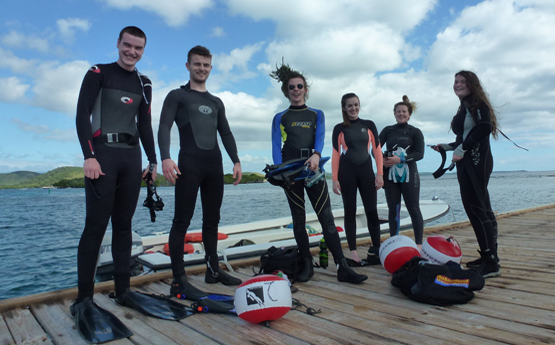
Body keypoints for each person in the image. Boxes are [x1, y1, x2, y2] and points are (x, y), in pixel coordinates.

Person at [74, 26, 166, 341]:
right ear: (118, 44)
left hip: (131, 158)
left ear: (144, 49)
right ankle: (83, 299)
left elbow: (145, 125)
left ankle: (123, 290)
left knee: (124, 226)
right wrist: (89, 157)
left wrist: (152, 162)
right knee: (95, 228)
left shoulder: (144, 83)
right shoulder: (98, 72)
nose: (132, 52)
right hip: (102, 156)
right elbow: (82, 114)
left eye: (138, 48)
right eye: (127, 45)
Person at [270, 62, 367, 284]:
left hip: (313, 170)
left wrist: (315, 154)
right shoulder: (280, 117)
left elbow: (320, 137)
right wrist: (280, 173)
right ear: (287, 91)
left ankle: (342, 266)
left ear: (306, 89)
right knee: (298, 220)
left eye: (300, 86)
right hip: (291, 173)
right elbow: (276, 147)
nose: (296, 90)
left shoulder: (316, 114)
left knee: (327, 219)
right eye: (292, 87)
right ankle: (306, 263)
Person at [159, 45, 243, 299]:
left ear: (211, 67)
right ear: (188, 66)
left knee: (212, 220)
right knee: (181, 221)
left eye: (206, 65)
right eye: (197, 64)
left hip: (213, 166)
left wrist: (236, 161)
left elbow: (225, 133)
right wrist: (165, 158)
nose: (202, 69)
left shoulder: (216, 102)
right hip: (189, 164)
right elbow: (164, 126)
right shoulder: (177, 96)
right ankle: (179, 280)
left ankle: (213, 270)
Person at [431, 70, 500, 278]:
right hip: (468, 162)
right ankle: (488, 255)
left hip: (477, 162)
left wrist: (461, 150)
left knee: (477, 208)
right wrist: (448, 146)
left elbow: (484, 128)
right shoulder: (466, 104)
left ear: (472, 84)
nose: (458, 84)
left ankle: (491, 262)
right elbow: (466, 136)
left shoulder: (477, 103)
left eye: (463, 81)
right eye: (456, 81)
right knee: (479, 208)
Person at [331, 93, 384, 265]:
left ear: (359, 106)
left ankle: (377, 249)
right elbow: (336, 154)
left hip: (367, 172)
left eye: (356, 105)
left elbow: (377, 150)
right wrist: (334, 179)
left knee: (372, 212)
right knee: (350, 212)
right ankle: (353, 252)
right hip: (347, 173)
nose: (353, 108)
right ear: (344, 108)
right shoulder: (339, 128)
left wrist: (380, 174)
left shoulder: (368, 125)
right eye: (349, 106)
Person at [379, 96, 425, 250]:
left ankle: (418, 244)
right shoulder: (388, 130)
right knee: (394, 209)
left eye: (404, 111)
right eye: (398, 111)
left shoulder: (415, 132)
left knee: (414, 208)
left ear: (409, 114)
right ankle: (394, 242)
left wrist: (400, 160)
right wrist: (382, 161)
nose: (401, 114)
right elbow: (376, 149)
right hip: (390, 176)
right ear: (394, 113)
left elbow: (419, 153)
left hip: (409, 175)